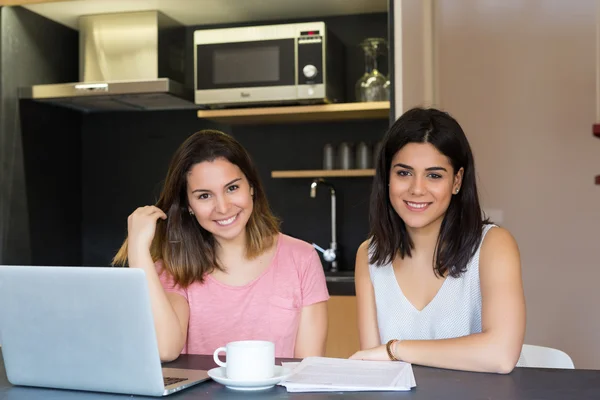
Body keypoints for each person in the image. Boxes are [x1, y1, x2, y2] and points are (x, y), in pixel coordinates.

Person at [112, 129, 329, 361]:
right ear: (189, 205)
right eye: (204, 196)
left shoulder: (301, 258)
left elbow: (308, 369)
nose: (223, 207)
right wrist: (138, 251)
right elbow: (165, 349)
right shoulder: (173, 269)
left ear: (251, 187)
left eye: (232, 188)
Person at [350, 107, 525, 374]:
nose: (417, 189)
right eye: (404, 173)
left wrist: (395, 350)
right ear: (387, 177)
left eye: (434, 175)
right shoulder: (369, 256)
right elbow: (374, 371)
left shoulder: (494, 246)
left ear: (457, 181)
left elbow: (500, 355)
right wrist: (388, 354)